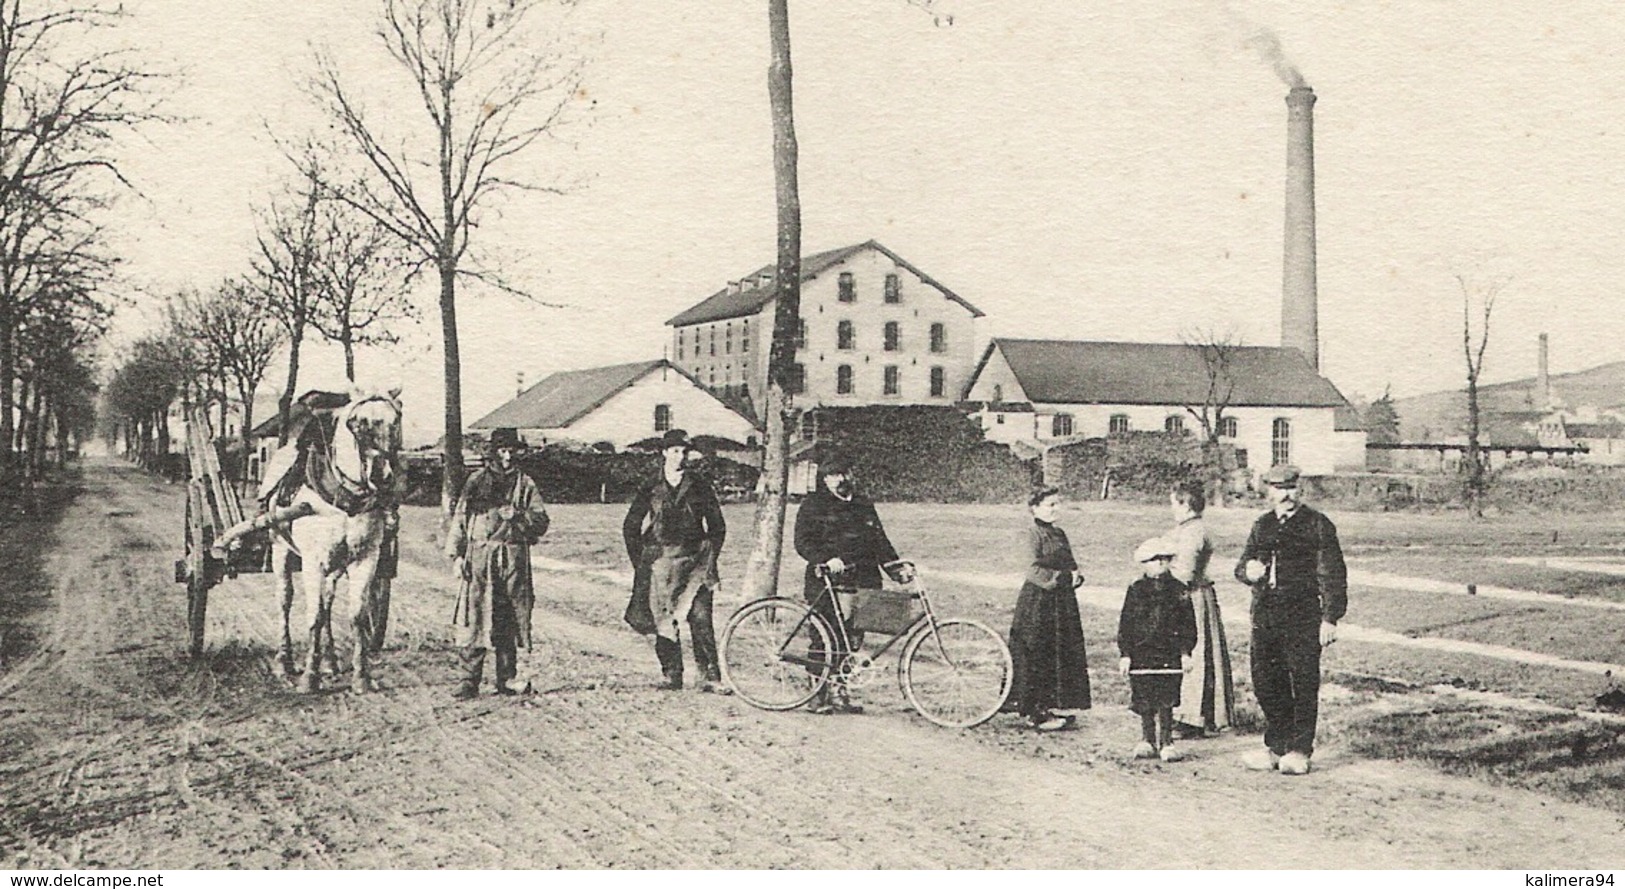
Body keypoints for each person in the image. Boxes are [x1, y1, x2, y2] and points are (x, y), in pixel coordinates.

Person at [1233, 464, 1347, 775]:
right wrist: (1248, 571)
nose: (1286, 495)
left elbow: (1332, 574)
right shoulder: (1263, 525)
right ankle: (1276, 746)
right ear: (1268, 491)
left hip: (1302, 615)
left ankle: (1299, 749)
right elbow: (1243, 564)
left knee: (1302, 682)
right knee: (1267, 681)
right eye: (1279, 489)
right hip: (1265, 614)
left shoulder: (1317, 525)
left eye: (1291, 488)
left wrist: (1330, 617)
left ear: (1300, 489)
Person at [792, 454, 911, 715]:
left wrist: (896, 569)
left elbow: (880, 541)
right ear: (824, 479)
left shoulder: (862, 504)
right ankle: (817, 693)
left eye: (845, 473)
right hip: (828, 579)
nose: (841, 480)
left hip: (864, 578)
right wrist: (826, 558)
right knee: (824, 636)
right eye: (834, 475)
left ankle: (840, 690)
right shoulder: (814, 505)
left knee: (853, 638)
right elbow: (802, 541)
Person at [445, 427, 550, 700]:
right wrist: (457, 556)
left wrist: (519, 515)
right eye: (502, 451)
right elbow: (460, 518)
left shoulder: (525, 484)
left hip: (513, 558)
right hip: (479, 556)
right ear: (493, 453)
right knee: (474, 615)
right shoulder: (476, 481)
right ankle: (469, 680)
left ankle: (507, 677)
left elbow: (541, 521)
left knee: (509, 616)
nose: (507, 457)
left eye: (511, 451)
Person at [622, 429, 728, 693]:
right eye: (675, 451)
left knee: (701, 617)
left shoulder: (699, 485)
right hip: (661, 563)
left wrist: (711, 558)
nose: (681, 457)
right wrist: (641, 562)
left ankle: (709, 676)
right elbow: (630, 526)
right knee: (663, 619)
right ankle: (671, 673)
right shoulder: (651, 486)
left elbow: (717, 526)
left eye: (684, 452)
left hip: (695, 562)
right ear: (665, 453)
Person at [1005, 486, 1091, 732]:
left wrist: (1077, 576)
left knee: (1058, 652)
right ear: (1034, 508)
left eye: (1057, 504)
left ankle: (1050, 705)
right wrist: (1058, 579)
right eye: (1050, 505)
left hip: (1061, 603)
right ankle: (1034, 712)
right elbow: (1032, 569)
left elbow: (1072, 563)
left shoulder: (1060, 533)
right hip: (1039, 602)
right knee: (1036, 652)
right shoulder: (1031, 534)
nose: (1055, 509)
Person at [1117, 538, 1197, 763]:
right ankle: (1147, 739)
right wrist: (1125, 654)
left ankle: (1167, 741)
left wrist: (1185, 652)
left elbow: (1188, 625)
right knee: (1144, 696)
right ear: (1144, 563)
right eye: (1154, 560)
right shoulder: (1136, 590)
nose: (1160, 564)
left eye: (1165, 559)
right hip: (1141, 652)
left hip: (1168, 652)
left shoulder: (1179, 590)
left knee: (1166, 698)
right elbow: (1126, 624)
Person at [1167, 479, 1235, 738]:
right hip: (1188, 595)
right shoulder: (1186, 529)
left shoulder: (1194, 532)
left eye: (1174, 504)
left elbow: (1184, 571)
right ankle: (1188, 713)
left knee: (1196, 653)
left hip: (1191, 598)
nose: (1172, 509)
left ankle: (1193, 717)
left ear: (1185, 504)